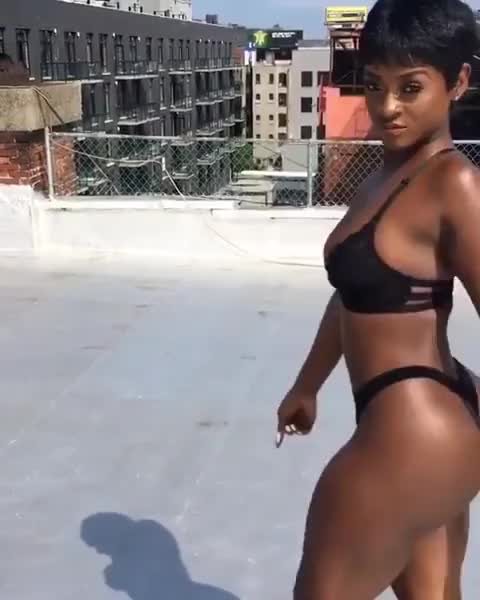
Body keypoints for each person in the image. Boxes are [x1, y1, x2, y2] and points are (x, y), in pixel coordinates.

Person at [276, 0, 480, 598]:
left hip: (415, 433)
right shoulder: (385, 174)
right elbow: (354, 294)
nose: (388, 106)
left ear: (458, 82)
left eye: (411, 87)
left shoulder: (454, 184)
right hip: (431, 424)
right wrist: (307, 385)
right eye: (374, 85)